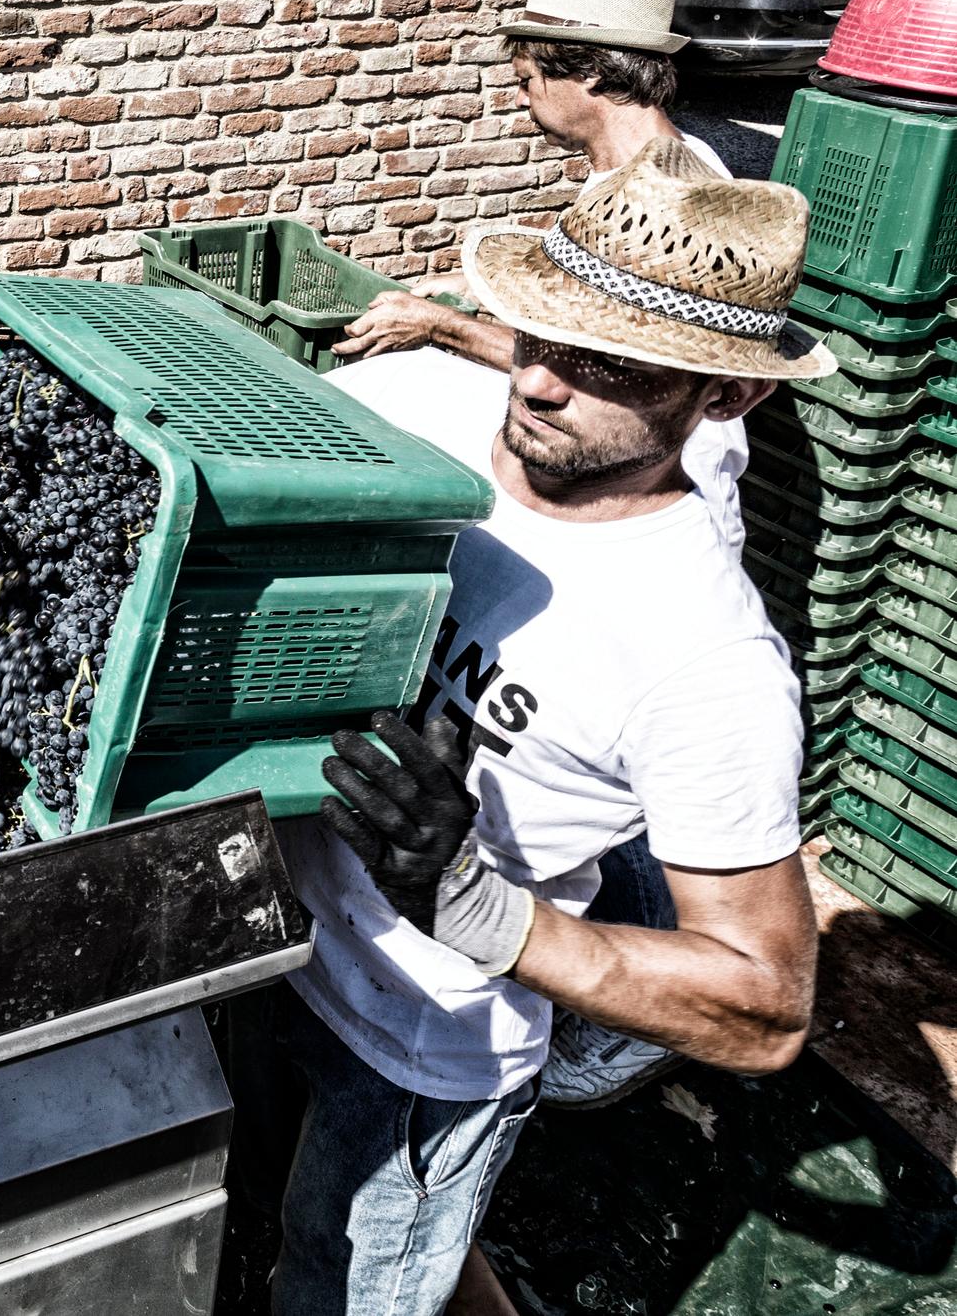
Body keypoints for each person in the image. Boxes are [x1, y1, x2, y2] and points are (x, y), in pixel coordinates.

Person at [257, 138, 826, 1316]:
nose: (540, 382)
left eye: (611, 362)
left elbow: (765, 1002)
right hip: (271, 940)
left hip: (419, 1042)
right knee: (271, 1212)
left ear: (729, 395)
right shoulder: (413, 407)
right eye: (544, 331)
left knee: (347, 1283)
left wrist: (474, 903)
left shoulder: (706, 660)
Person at [335, 0, 729, 370]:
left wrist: (442, 326)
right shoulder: (644, 161)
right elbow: (588, 294)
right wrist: (484, 287)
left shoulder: (665, 196)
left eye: (527, 80)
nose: (521, 99)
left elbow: (590, 371)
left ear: (592, 71)